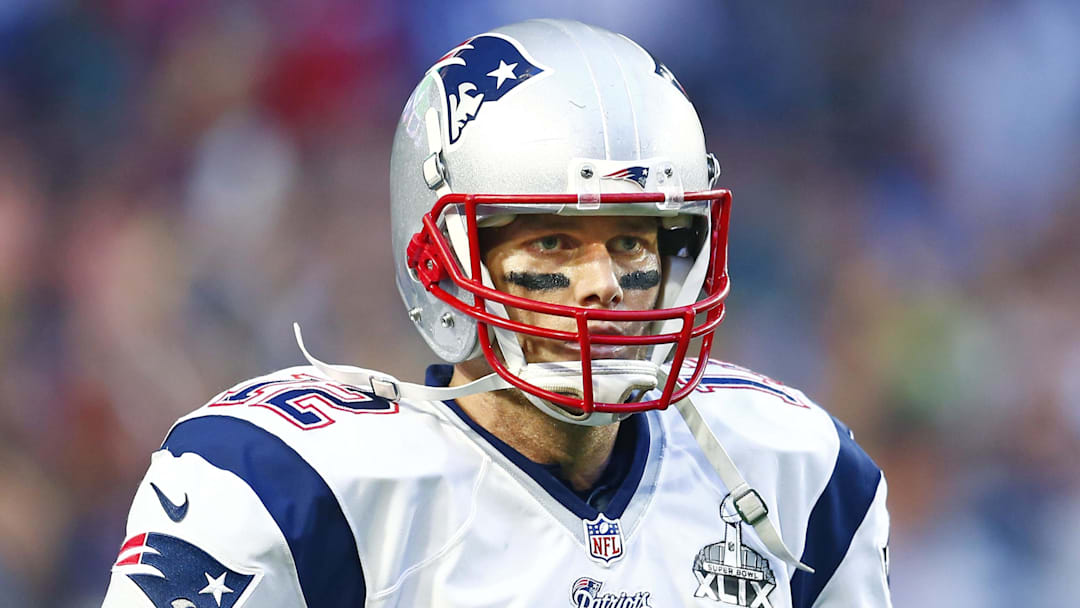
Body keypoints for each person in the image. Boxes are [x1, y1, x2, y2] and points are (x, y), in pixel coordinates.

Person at [102, 19, 891, 608]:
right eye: (552, 242)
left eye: (629, 239)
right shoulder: (293, 486)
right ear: (438, 253)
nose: (604, 284)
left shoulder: (797, 473)